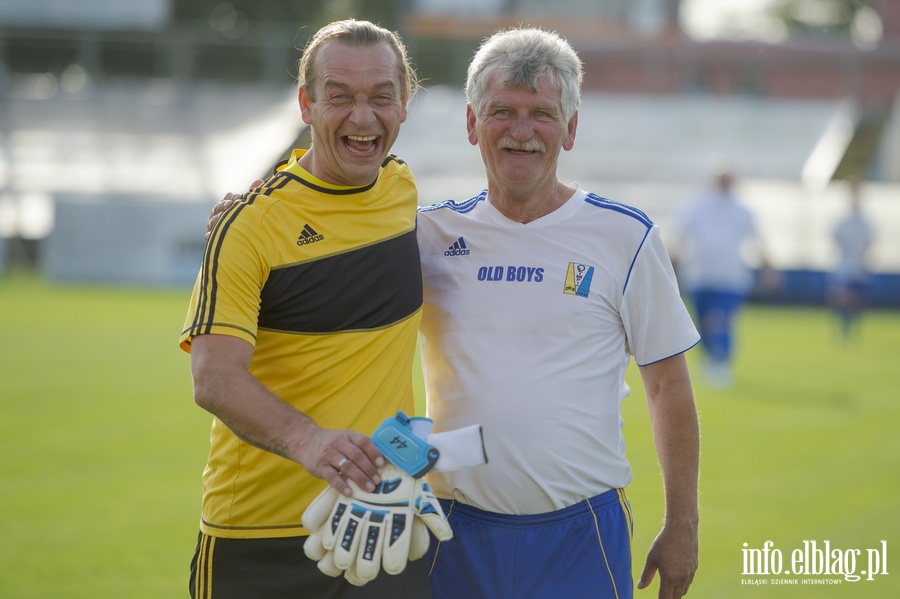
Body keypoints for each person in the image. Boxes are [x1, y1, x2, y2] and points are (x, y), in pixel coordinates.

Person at [209, 27, 701, 599]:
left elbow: (668, 387)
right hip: (448, 529)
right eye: (501, 112)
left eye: (541, 113)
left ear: (570, 128)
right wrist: (252, 205)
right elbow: (333, 214)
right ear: (471, 124)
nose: (521, 132)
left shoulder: (626, 236)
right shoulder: (427, 233)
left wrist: (682, 522)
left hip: (581, 529)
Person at [180, 19, 433, 598]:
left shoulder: (403, 191)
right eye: (339, 96)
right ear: (306, 103)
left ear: (404, 105)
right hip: (258, 540)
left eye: (381, 97)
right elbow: (214, 378)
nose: (362, 118)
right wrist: (309, 441)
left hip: (383, 522)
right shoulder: (249, 227)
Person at [672, 162, 771, 388]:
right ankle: (710, 359)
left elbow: (756, 240)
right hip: (699, 275)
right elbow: (681, 236)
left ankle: (722, 361)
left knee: (721, 318)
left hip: (730, 276)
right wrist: (673, 263)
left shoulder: (742, 210)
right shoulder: (696, 205)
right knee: (703, 323)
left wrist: (768, 268)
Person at [828, 178, 873, 342]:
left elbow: (868, 243)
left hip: (858, 265)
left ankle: (852, 331)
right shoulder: (843, 221)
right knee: (842, 298)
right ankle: (842, 330)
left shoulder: (865, 221)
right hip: (844, 264)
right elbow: (836, 239)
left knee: (855, 300)